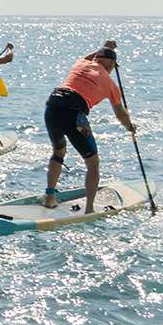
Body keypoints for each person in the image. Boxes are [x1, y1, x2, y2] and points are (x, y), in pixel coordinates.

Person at [43, 47, 137, 213]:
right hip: (73, 114)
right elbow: (120, 114)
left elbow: (92, 56)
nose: (112, 70)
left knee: (58, 153)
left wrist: (105, 46)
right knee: (93, 163)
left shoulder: (81, 63)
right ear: (110, 63)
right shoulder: (110, 84)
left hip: (52, 108)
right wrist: (130, 126)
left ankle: (50, 198)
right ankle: (89, 209)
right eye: (113, 66)